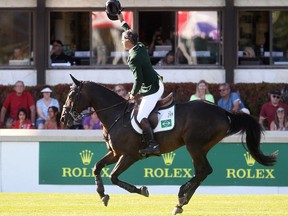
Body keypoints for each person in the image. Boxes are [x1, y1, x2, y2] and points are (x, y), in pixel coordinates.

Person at [117, 12, 164, 156]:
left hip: (153, 89)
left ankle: (153, 145)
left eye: (123, 39)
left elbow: (138, 79)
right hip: (156, 81)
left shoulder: (133, 58)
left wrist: (131, 94)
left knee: (140, 117)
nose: (121, 41)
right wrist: (122, 19)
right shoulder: (140, 45)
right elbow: (128, 31)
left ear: (128, 41)